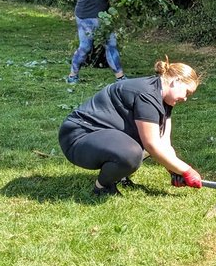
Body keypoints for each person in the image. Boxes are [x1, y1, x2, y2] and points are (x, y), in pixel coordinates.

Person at [58, 58, 203, 198]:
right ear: (176, 81)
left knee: (141, 146)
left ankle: (118, 176)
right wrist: (187, 171)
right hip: (78, 136)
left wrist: (174, 170)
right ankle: (103, 187)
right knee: (132, 153)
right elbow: (152, 145)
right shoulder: (147, 94)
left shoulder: (163, 99)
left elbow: (164, 144)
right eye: (187, 92)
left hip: (100, 137)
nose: (185, 99)